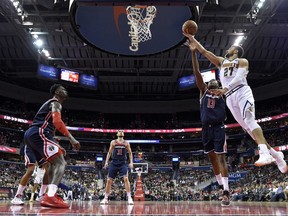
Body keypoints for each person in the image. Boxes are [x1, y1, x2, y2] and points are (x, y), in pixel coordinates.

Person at [185, 34, 287, 173]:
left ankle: (264, 153)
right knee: (250, 130)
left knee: (250, 120)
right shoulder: (221, 62)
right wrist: (192, 39)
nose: (228, 49)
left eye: (230, 47)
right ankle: (277, 156)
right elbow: (204, 51)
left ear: (236, 51)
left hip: (242, 91)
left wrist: (225, 88)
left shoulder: (242, 61)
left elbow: (239, 78)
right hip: (229, 98)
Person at [24, 84, 80, 208]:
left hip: (31, 135)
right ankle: (51, 196)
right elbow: (57, 122)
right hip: (39, 132)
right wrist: (72, 139)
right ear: (56, 92)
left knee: (49, 164)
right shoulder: (55, 103)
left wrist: (56, 144)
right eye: (63, 89)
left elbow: (50, 127)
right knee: (61, 163)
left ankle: (48, 194)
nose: (65, 90)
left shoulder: (48, 105)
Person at [188, 42, 230, 206]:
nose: (212, 81)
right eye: (210, 80)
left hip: (219, 128)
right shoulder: (203, 92)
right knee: (212, 159)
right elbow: (196, 71)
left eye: (215, 81)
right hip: (206, 129)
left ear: (219, 85)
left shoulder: (222, 94)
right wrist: (193, 53)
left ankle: (226, 191)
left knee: (221, 158)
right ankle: (220, 187)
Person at [101, 130, 134, 205]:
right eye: (119, 131)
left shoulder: (126, 143)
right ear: (117, 134)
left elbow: (130, 153)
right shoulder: (113, 142)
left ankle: (129, 197)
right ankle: (105, 198)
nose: (121, 131)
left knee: (126, 178)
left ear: (123, 134)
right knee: (109, 180)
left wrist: (131, 162)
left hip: (123, 163)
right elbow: (109, 152)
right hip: (114, 162)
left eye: (122, 131)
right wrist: (106, 162)